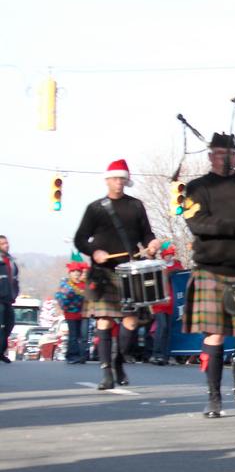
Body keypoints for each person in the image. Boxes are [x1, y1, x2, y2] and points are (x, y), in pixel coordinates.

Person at [182, 133, 235, 417]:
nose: (224, 158)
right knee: (215, 335)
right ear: (210, 156)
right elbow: (197, 223)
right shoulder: (197, 188)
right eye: (218, 153)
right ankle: (214, 397)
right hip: (211, 269)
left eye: (229, 153)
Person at [73, 160, 160, 389]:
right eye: (114, 178)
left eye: (122, 179)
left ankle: (118, 360)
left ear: (126, 180)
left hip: (130, 272)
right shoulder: (96, 208)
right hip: (103, 272)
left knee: (131, 322)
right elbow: (80, 239)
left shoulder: (136, 206)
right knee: (104, 321)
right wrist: (95, 251)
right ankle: (106, 371)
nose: (118, 183)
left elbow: (146, 234)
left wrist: (152, 244)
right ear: (107, 180)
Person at [150, 245, 185, 366]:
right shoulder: (159, 266)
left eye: (171, 253)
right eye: (167, 254)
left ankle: (166, 355)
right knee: (162, 327)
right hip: (160, 302)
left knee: (169, 329)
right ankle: (156, 353)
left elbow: (183, 279)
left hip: (173, 303)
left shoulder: (177, 265)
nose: (169, 256)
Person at [54, 260, 88, 364]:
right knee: (73, 335)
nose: (76, 274)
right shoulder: (66, 284)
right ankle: (72, 355)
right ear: (69, 273)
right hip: (71, 314)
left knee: (83, 335)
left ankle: (81, 355)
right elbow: (60, 297)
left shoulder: (84, 284)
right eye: (74, 272)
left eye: (78, 272)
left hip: (83, 314)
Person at [0, 235, 19, 363]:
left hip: (9, 298)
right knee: (0, 326)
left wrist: (15, 292)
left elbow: (15, 279)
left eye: (6, 243)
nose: (6, 245)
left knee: (10, 323)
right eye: (2, 243)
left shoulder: (11, 261)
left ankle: (1, 350)